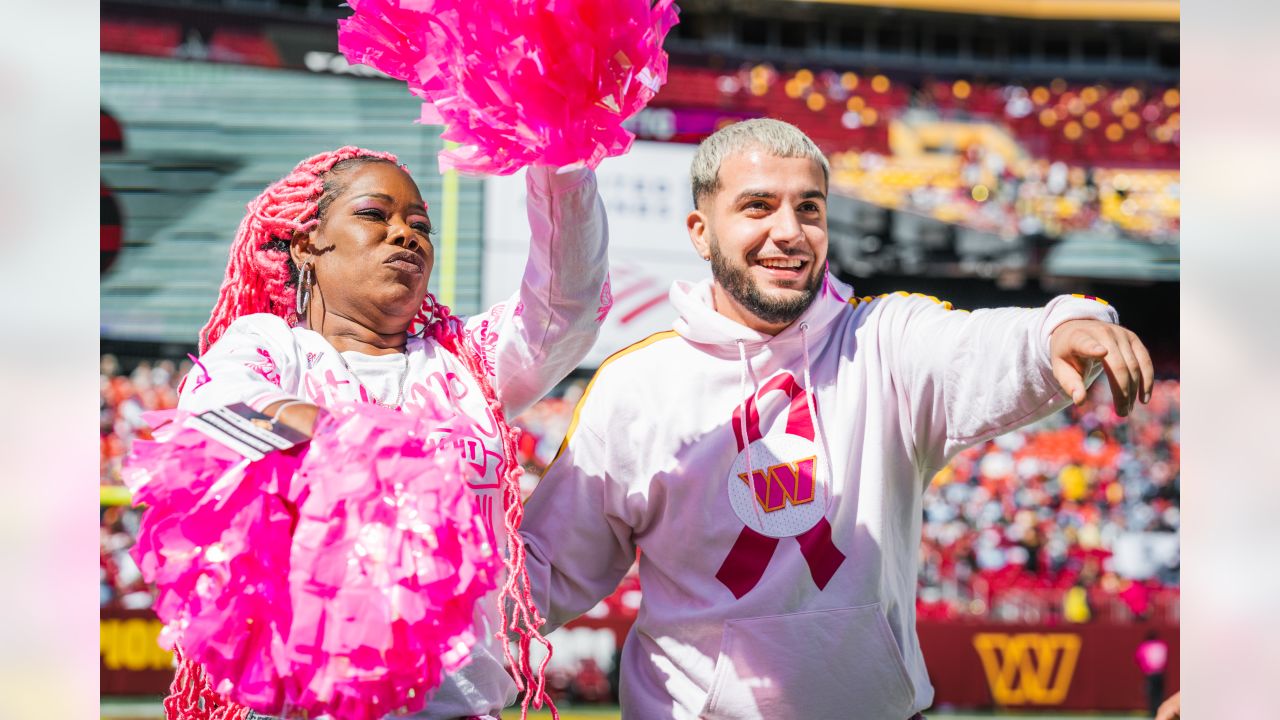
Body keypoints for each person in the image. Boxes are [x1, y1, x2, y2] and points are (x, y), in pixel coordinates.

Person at [518, 119, 1154, 719]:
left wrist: (1062, 326)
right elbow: (548, 570)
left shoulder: (883, 339)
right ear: (700, 231)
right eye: (758, 206)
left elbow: (976, 347)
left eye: (810, 208)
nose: (791, 231)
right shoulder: (635, 387)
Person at [175, 146, 610, 719]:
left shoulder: (468, 362)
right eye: (374, 215)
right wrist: (350, 448)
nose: (405, 234)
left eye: (419, 224)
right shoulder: (272, 346)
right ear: (307, 243)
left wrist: (563, 158)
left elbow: (566, 304)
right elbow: (216, 409)